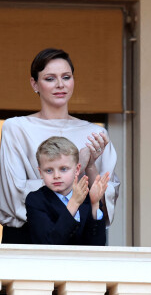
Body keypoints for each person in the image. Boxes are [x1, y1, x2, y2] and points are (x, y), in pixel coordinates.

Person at [0, 48, 120, 244]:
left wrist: (89, 167)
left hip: (82, 239)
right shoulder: (16, 127)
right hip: (27, 237)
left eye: (66, 77)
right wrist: (77, 168)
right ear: (34, 84)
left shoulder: (95, 133)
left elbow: (104, 202)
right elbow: (14, 195)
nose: (60, 85)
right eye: (50, 78)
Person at [26, 136, 109, 245]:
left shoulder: (88, 198)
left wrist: (94, 204)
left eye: (63, 169)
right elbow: (49, 244)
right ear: (40, 173)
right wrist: (74, 203)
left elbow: (98, 244)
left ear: (77, 170)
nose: (56, 176)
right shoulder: (36, 199)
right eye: (49, 170)